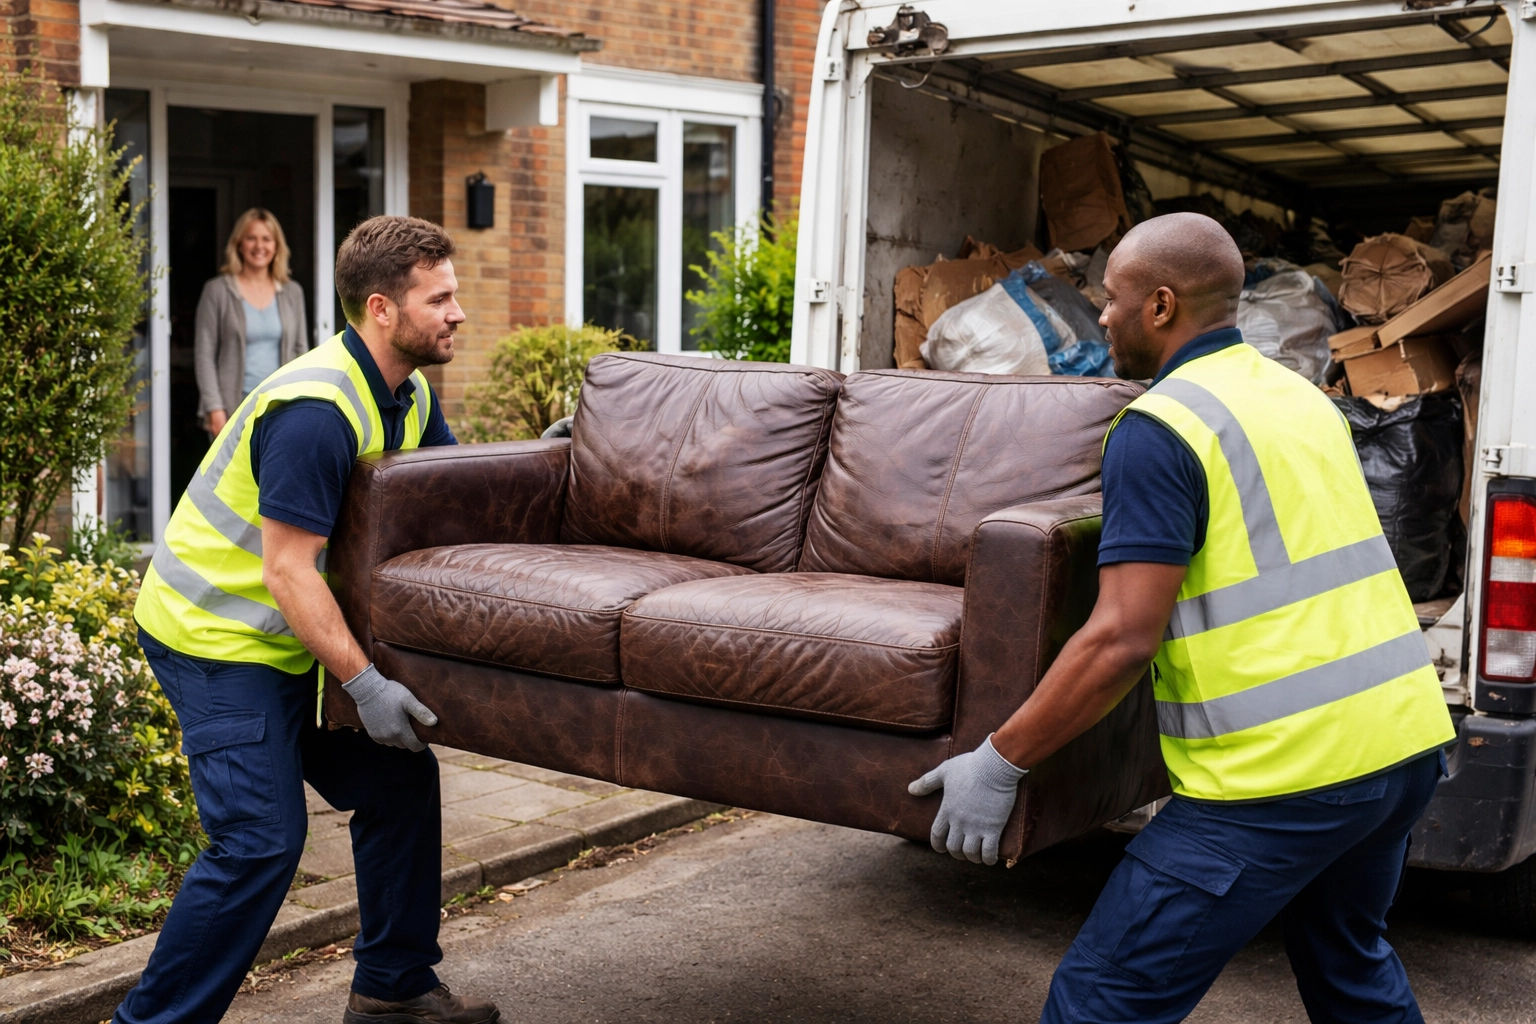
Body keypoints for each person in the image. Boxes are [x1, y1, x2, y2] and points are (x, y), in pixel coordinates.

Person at [909, 212, 1456, 1024]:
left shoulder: (1162, 429)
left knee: (1101, 1003)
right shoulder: (1300, 398)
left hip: (1282, 778)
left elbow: (1123, 636)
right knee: (1349, 967)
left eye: (1113, 299)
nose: (1101, 315)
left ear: (1160, 306)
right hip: (1399, 745)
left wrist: (1000, 761)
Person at [123, 216, 498, 1024]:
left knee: (399, 781)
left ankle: (393, 989)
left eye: (455, 294)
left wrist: (549, 462)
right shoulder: (314, 412)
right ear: (382, 309)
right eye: (441, 298)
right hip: (215, 638)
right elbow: (288, 570)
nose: (458, 312)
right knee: (260, 839)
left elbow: (454, 499)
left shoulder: (409, 393)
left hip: (289, 640)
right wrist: (363, 683)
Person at [195, 207, 310, 436]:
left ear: (276, 246)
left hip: (281, 409)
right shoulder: (217, 291)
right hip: (232, 410)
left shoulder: (292, 292)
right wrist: (215, 411)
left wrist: (302, 404)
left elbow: (301, 352)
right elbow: (204, 356)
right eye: (251, 238)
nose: (259, 246)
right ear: (239, 243)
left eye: (267, 239)